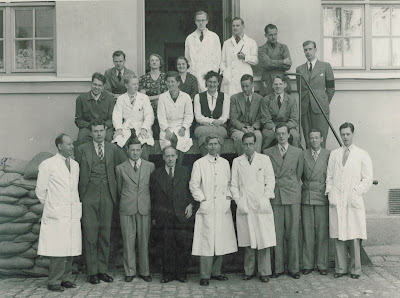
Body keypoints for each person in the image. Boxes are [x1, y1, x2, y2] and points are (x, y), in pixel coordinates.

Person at [75, 119, 121, 285]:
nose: (99, 134)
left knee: (105, 233)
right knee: (90, 233)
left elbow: (118, 171)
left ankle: (103, 270)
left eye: (101, 131)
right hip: (89, 194)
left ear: (105, 131)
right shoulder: (82, 149)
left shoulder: (113, 148)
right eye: (95, 131)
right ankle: (92, 272)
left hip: (108, 194)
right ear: (91, 133)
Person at [326, 122, 373, 279]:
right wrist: (330, 192)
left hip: (352, 199)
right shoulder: (334, 154)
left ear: (353, 134)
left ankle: (355, 269)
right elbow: (329, 177)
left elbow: (367, 179)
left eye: (348, 134)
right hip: (338, 199)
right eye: (343, 134)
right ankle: (340, 268)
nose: (345, 137)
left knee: (353, 234)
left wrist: (356, 192)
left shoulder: (362, 154)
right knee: (339, 234)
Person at [190, 135, 238, 286]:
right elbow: (194, 185)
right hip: (208, 207)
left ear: (220, 146)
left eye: (216, 144)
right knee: (206, 241)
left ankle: (216, 272)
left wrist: (228, 198)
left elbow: (231, 183)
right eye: (210, 144)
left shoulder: (225, 163)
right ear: (206, 146)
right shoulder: (199, 164)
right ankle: (205, 275)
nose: (213, 146)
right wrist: (202, 199)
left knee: (221, 240)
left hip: (222, 206)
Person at [36, 134, 81, 292]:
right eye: (68, 144)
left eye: (72, 144)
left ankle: (66, 278)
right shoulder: (48, 164)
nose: (71, 146)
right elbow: (40, 191)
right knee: (57, 249)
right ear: (59, 146)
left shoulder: (75, 165)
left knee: (70, 247)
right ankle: (54, 281)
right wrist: (52, 206)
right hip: (56, 213)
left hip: (71, 212)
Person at [230, 132, 276, 283]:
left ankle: (264, 272)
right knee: (248, 238)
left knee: (263, 238)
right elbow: (233, 184)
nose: (248, 147)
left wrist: (265, 198)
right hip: (245, 203)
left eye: (251, 144)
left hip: (261, 203)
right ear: (242, 145)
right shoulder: (237, 161)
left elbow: (270, 180)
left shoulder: (264, 159)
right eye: (246, 144)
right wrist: (239, 200)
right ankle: (248, 271)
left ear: (255, 145)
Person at [264, 123, 303, 279]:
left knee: (293, 232)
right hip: (276, 194)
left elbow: (298, 174)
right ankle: (278, 267)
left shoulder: (298, 152)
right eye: (278, 133)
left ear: (288, 135)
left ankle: (294, 268)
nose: (281, 136)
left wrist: (291, 185)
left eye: (283, 133)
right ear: (275, 135)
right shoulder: (267, 152)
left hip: (292, 194)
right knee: (277, 232)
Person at [150, 146, 194, 283]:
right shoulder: (156, 174)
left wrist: (191, 204)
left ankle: (181, 273)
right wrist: (155, 215)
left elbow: (192, 190)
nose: (170, 159)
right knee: (166, 245)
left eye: (172, 156)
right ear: (163, 157)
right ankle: (167, 274)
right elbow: (152, 196)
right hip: (164, 215)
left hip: (181, 213)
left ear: (177, 156)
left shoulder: (185, 171)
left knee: (182, 244)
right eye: (167, 156)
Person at [116, 138, 155, 283]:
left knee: (144, 240)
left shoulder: (150, 166)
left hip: (144, 207)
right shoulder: (120, 168)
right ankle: (130, 271)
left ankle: (145, 271)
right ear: (127, 150)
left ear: (141, 150)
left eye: (138, 150)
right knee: (128, 239)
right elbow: (119, 189)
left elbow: (152, 188)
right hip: (127, 207)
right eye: (132, 150)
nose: (135, 153)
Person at [301, 128, 330, 276]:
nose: (314, 140)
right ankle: (307, 264)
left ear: (322, 139)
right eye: (311, 138)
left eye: (316, 138)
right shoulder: (303, 154)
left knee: (322, 233)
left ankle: (322, 264)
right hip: (306, 197)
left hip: (321, 196)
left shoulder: (328, 154)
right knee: (307, 232)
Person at [296, 40, 335, 149]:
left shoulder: (325, 66)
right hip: (305, 109)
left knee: (320, 140)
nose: (308, 52)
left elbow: (331, 88)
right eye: (305, 50)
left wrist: (324, 102)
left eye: (310, 49)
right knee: (309, 140)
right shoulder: (299, 69)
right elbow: (300, 90)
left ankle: (320, 165)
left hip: (320, 109)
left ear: (315, 50)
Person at [112, 73, 154, 160]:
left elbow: (149, 115)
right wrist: (119, 129)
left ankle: (142, 168)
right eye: (133, 84)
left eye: (137, 84)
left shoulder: (144, 98)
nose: (136, 86)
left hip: (141, 127)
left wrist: (145, 128)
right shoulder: (121, 99)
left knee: (144, 141)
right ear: (126, 85)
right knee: (119, 141)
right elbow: (117, 115)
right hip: (126, 127)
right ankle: (126, 168)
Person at [157, 71, 193, 165]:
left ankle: (178, 168)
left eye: (172, 81)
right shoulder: (162, 97)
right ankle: (169, 168)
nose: (170, 84)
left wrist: (184, 127)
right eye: (168, 82)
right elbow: (161, 116)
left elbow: (189, 115)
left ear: (178, 83)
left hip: (181, 127)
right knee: (168, 144)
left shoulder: (186, 97)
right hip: (167, 127)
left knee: (181, 142)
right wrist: (166, 129)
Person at [220, 17, 258, 99]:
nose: (235, 27)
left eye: (237, 25)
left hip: (244, 78)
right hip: (229, 78)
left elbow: (256, 60)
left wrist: (245, 57)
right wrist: (224, 72)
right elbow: (222, 61)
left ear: (243, 27)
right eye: (233, 26)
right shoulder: (227, 43)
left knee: (244, 102)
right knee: (229, 104)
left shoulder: (250, 42)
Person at [194, 71, 230, 156]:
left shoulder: (225, 97)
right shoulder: (198, 97)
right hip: (202, 127)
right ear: (206, 82)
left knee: (217, 133)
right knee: (205, 132)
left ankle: (216, 160)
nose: (212, 84)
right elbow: (198, 117)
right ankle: (206, 161)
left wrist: (215, 122)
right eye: (210, 82)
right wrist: (213, 122)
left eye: (215, 82)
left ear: (218, 83)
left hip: (220, 126)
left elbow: (225, 116)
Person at [185, 10, 221, 92]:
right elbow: (187, 59)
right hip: (195, 74)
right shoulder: (190, 38)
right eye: (198, 20)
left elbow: (218, 58)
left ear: (207, 21)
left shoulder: (214, 37)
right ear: (195, 22)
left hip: (209, 75)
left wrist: (212, 75)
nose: (200, 23)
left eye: (203, 20)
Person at [261, 74, 300, 150]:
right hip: (271, 127)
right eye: (275, 84)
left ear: (285, 85)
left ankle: (295, 158)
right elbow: (265, 119)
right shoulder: (266, 100)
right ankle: (267, 158)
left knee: (295, 136)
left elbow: (294, 119)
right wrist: (274, 128)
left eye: (280, 84)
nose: (278, 86)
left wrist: (285, 128)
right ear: (272, 85)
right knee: (269, 136)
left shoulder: (291, 99)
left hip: (287, 126)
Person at [75, 72, 115, 145]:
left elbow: (111, 118)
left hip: (104, 128)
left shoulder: (110, 99)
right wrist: (90, 126)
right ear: (91, 84)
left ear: (103, 87)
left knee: (109, 138)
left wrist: (104, 127)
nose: (97, 87)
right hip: (88, 128)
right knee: (82, 138)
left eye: (99, 85)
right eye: (95, 84)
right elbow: (78, 119)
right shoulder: (81, 99)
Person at [230, 74, 263, 155]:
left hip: (253, 128)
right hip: (238, 129)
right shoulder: (235, 98)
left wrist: (253, 128)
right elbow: (233, 119)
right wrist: (243, 128)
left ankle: (255, 161)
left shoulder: (259, 99)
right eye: (243, 86)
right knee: (241, 137)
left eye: (247, 86)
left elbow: (260, 118)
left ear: (253, 85)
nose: (245, 89)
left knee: (258, 136)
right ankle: (243, 162)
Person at [139, 53, 168, 139]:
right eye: (152, 60)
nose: (154, 62)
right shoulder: (144, 78)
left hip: (162, 106)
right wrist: (159, 96)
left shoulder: (165, 77)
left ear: (160, 63)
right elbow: (143, 96)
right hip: (148, 106)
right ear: (149, 63)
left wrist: (151, 98)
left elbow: (166, 95)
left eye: (156, 60)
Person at [258, 24, 292, 96]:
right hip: (268, 82)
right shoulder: (261, 49)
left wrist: (271, 63)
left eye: (275, 34)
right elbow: (266, 64)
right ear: (265, 35)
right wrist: (283, 62)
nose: (273, 37)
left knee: (283, 104)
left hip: (281, 80)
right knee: (268, 104)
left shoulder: (283, 47)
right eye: (270, 35)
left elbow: (288, 66)